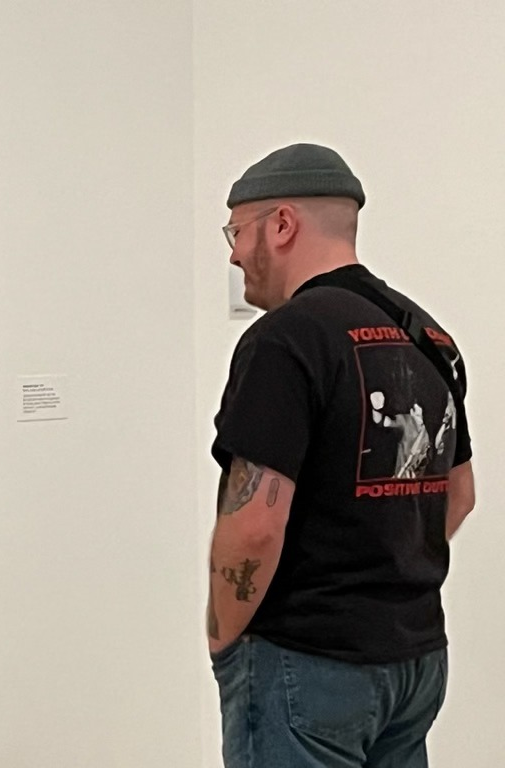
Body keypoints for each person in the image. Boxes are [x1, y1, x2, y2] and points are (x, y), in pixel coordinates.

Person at [207, 143, 476, 768]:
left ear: (281, 224)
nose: (233, 253)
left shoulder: (284, 339)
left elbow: (254, 526)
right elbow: (460, 495)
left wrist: (224, 643)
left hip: (308, 659)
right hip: (415, 659)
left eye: (237, 231)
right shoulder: (426, 333)